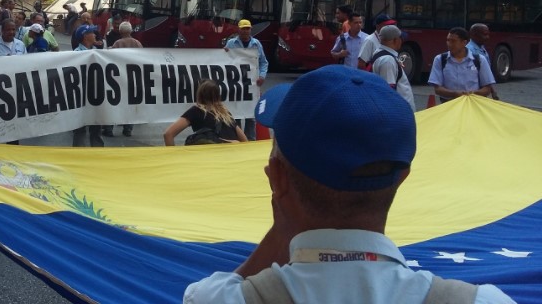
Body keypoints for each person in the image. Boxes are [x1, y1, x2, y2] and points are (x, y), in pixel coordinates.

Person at [185, 66, 515, 304]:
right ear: (402, 177)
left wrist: (280, 233)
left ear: (278, 178)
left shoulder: (218, 298)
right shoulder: (484, 300)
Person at [163, 78, 247, 145]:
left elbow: (168, 134)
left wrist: (173, 158)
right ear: (218, 95)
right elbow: (244, 140)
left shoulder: (196, 110)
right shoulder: (225, 113)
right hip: (232, 157)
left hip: (210, 159)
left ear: (199, 94)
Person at [224, 19, 268, 141]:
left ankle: (251, 141)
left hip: (252, 83)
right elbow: (223, 60)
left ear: (250, 29)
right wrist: (223, 52)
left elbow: (263, 62)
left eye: (247, 28)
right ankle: (237, 140)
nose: (245, 31)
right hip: (236, 83)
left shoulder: (256, 44)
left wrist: (262, 76)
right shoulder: (231, 43)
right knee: (236, 113)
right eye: (243, 28)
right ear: (238, 29)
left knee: (251, 115)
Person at [428, 26, 496, 103]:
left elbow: (487, 88)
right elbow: (437, 89)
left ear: (464, 43)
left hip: (473, 105)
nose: (449, 44)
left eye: (453, 41)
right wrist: (455, 94)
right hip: (448, 105)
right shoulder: (440, 59)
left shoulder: (479, 60)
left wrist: (472, 94)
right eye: (448, 40)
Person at [108, 20, 143, 137]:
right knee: (130, 103)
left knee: (115, 103)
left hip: (118, 78)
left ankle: (109, 128)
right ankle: (128, 128)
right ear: (131, 31)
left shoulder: (118, 43)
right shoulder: (137, 43)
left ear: (120, 31)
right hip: (133, 78)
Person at [370, 25, 415, 112]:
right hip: (399, 113)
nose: (401, 41)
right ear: (395, 40)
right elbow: (388, 91)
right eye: (400, 38)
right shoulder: (388, 60)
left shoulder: (379, 53)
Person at [73, 27, 104, 147]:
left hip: (95, 94)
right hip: (81, 96)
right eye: (91, 32)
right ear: (85, 36)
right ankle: (78, 156)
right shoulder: (76, 54)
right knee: (80, 128)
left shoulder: (96, 51)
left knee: (96, 127)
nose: (95, 34)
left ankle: (97, 155)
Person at [467, 23, 499, 100]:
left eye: (488, 34)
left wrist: (492, 91)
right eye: (484, 34)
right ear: (474, 35)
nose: (487, 37)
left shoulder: (481, 47)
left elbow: (485, 73)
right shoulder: (470, 50)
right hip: (475, 92)